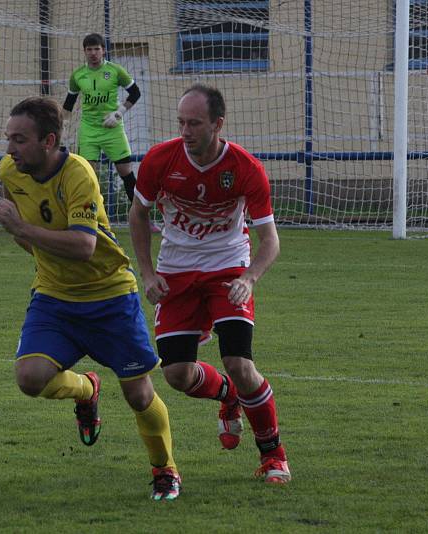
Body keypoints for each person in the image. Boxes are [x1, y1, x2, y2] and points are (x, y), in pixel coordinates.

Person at [0, 96, 181, 500]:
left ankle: (165, 469)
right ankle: (87, 390)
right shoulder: (10, 170)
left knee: (139, 394)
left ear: (49, 140)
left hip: (109, 295)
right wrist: (38, 255)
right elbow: (29, 228)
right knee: (29, 378)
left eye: (19, 139)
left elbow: (82, 246)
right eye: (8, 138)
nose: (10, 149)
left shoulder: (79, 174)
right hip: (55, 298)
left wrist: (21, 231)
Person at [128, 84, 291, 484]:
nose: (185, 130)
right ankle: (227, 396)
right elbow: (137, 215)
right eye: (181, 122)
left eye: (194, 123)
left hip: (227, 270)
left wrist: (249, 278)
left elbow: (270, 241)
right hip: (176, 272)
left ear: (218, 124)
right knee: (177, 376)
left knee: (239, 363)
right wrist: (147, 273)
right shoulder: (159, 160)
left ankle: (274, 456)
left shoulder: (246, 168)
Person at [62, 33, 161, 233]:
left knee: (127, 174)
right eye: (89, 49)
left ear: (103, 50)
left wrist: (119, 113)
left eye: (96, 49)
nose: (93, 53)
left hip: (113, 129)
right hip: (89, 130)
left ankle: (143, 221)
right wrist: (62, 127)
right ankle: (91, 221)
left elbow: (136, 92)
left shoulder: (115, 71)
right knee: (88, 177)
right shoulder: (78, 75)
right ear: (84, 52)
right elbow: (69, 105)